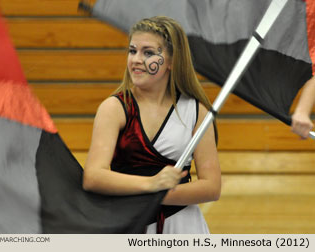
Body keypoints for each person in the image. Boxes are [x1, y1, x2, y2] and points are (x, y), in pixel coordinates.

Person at [83, 16, 221, 234]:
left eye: (148, 53)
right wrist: (151, 185)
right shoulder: (115, 108)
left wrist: (160, 194)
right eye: (132, 51)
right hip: (130, 225)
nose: (136, 59)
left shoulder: (196, 111)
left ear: (171, 61)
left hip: (182, 227)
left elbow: (211, 187)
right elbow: (93, 177)